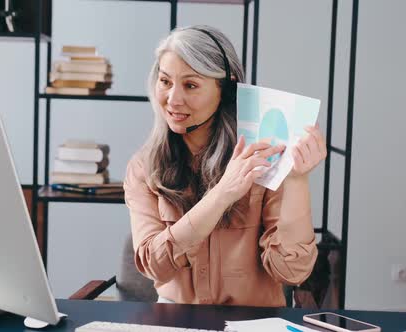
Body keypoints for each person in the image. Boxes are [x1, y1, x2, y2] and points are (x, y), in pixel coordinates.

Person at [123, 25, 327, 307]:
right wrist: (222, 195)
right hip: (175, 322)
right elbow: (154, 266)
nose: (173, 100)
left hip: (255, 323)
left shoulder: (264, 158)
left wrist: (296, 180)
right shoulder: (144, 168)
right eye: (165, 81)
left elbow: (292, 272)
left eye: (190, 85)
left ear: (227, 89)